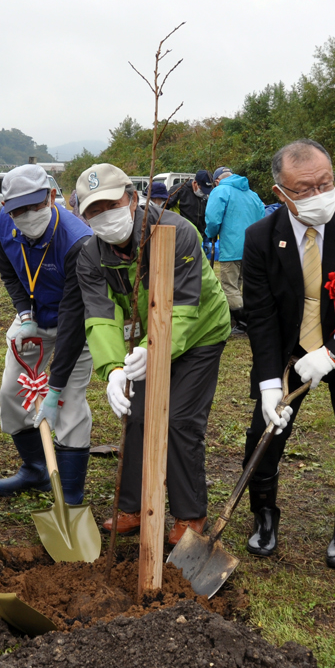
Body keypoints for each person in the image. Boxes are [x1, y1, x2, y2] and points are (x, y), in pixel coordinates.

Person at [241, 139, 335, 569]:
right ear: (280, 193)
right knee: (265, 434)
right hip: (291, 351)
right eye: (304, 189)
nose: (317, 195)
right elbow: (262, 315)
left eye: (325, 183)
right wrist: (270, 383)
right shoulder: (261, 239)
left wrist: (332, 354)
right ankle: (264, 516)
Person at [74, 163, 230, 545]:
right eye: (93, 211)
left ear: (132, 197)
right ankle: (134, 506)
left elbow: (184, 310)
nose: (104, 216)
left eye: (111, 204)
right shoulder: (90, 256)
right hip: (148, 340)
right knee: (137, 416)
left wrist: (152, 350)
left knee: (180, 420)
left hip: (199, 333)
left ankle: (190, 514)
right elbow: (101, 316)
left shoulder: (176, 233)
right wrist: (113, 369)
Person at [0, 164, 94, 502]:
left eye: (35, 206)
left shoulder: (77, 240)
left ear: (51, 197)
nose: (27, 215)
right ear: (6, 207)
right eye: (18, 209)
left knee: (69, 403)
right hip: (33, 320)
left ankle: (71, 495)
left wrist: (54, 388)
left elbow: (74, 315)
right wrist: (24, 314)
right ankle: (36, 469)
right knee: (11, 393)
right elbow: (8, 270)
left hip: (74, 325)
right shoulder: (2, 221)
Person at [205, 166, 266, 335]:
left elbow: (212, 219)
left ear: (217, 181)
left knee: (230, 285)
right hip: (254, 248)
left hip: (232, 247)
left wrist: (210, 234)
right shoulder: (252, 194)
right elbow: (263, 218)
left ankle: (243, 323)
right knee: (247, 285)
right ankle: (251, 319)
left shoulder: (220, 191)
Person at [167, 169, 212, 238]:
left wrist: (205, 236)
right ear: (195, 183)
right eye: (202, 189)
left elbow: (204, 217)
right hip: (180, 234)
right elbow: (163, 209)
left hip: (198, 236)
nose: (204, 193)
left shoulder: (204, 197)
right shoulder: (179, 191)